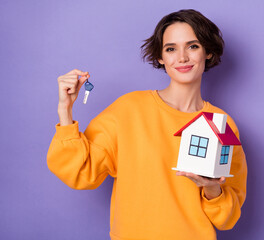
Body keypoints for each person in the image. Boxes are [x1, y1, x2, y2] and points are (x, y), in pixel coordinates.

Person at [47, 9, 247, 240]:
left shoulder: (221, 123)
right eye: (171, 48)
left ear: (208, 52)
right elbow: (80, 172)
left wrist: (212, 189)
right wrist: (65, 111)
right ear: (161, 57)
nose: (182, 57)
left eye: (193, 46)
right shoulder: (128, 109)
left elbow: (227, 218)